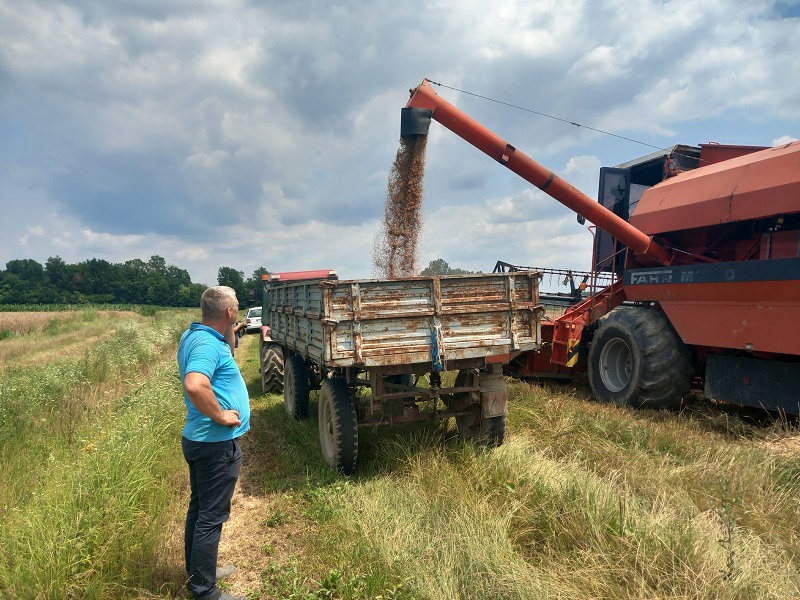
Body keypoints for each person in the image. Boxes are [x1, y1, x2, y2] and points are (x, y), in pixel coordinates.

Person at [177, 286, 250, 600]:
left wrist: (230, 333)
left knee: (199, 509)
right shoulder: (208, 344)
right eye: (236, 309)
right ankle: (205, 591)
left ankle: (199, 572)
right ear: (230, 312)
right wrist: (222, 416)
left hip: (198, 440)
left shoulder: (194, 336)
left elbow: (223, 346)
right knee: (210, 516)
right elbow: (195, 384)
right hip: (216, 444)